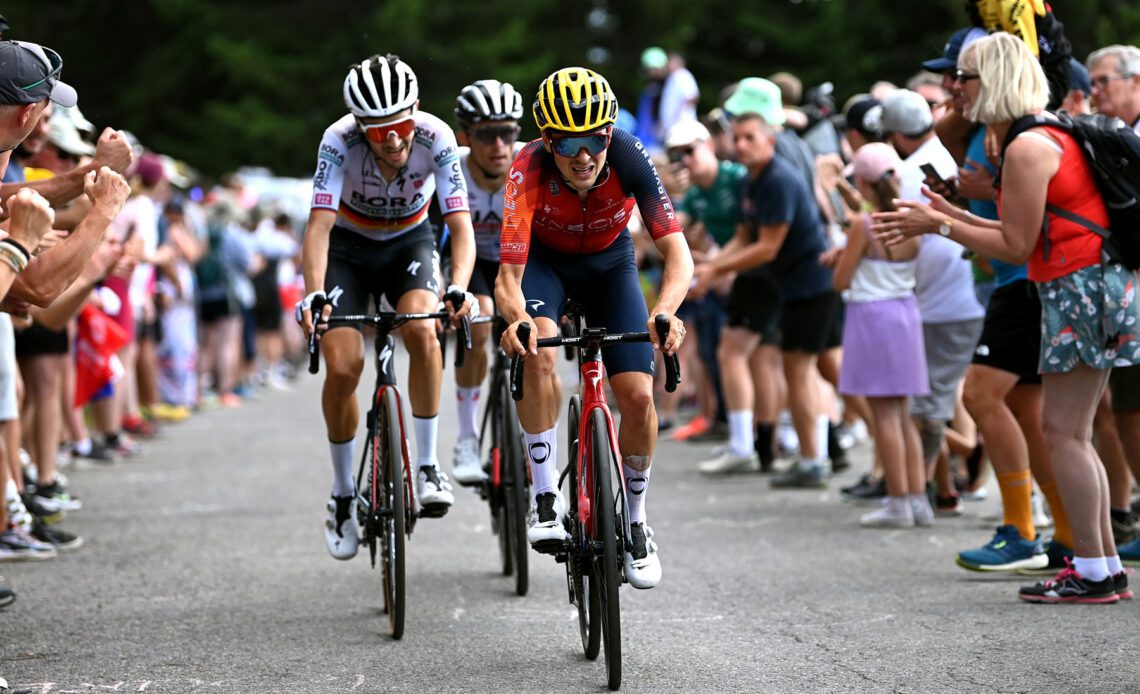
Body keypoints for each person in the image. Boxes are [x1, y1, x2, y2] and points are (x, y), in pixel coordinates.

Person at [875, 32, 1137, 603]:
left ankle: (1092, 569)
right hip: (1091, 287)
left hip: (1078, 290)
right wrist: (946, 213)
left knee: (1064, 434)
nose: (954, 89)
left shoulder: (1026, 145)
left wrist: (938, 224)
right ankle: (1101, 566)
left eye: (964, 78)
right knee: (1074, 434)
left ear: (989, 80)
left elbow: (1015, 246)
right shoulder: (1039, 134)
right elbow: (1016, 235)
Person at [497, 67, 692, 589]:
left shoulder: (628, 154)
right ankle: (544, 496)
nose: (584, 155)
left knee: (636, 395)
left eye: (596, 138)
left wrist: (667, 310)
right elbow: (508, 278)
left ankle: (635, 520)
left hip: (611, 265)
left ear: (610, 132)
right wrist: (518, 321)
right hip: (546, 266)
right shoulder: (527, 167)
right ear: (546, 140)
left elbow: (678, 254)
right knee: (537, 351)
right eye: (568, 142)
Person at [298, 54, 476, 561]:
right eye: (378, 133)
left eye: (400, 126)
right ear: (359, 127)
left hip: (408, 244)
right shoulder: (338, 141)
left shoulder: (437, 136)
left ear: (415, 111)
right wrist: (313, 292)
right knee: (344, 365)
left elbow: (460, 227)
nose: (393, 141)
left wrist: (458, 286)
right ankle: (340, 492)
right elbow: (319, 227)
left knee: (422, 330)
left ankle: (426, 465)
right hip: (347, 253)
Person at [693, 112, 840, 489]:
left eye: (749, 138)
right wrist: (713, 264)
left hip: (812, 286)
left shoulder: (777, 180)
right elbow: (744, 237)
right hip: (796, 289)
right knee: (808, 371)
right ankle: (816, 456)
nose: (740, 145)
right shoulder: (751, 181)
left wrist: (714, 270)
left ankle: (816, 459)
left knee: (808, 372)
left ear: (770, 141)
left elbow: (767, 248)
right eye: (737, 138)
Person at [831, 143, 929, 527]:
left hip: (871, 316)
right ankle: (918, 498)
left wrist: (840, 257)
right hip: (905, 312)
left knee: (884, 415)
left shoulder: (863, 225)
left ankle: (898, 501)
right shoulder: (909, 219)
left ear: (863, 182)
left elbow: (842, 280)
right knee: (904, 415)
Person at [448, 79, 524, 486]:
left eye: (508, 132)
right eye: (487, 134)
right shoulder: (452, 169)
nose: (499, 145)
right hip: (472, 261)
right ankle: (466, 436)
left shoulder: (525, 168)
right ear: (465, 136)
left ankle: (532, 442)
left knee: (534, 331)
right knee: (480, 317)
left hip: (517, 261)